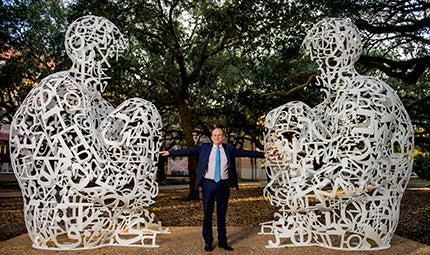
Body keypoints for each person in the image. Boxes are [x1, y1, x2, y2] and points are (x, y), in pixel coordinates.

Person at [159, 128, 273, 252]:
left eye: (219, 135)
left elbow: (245, 153)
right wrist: (170, 153)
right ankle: (208, 242)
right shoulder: (204, 147)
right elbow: (189, 150)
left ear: (223, 137)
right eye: (214, 135)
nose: (217, 137)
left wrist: (264, 155)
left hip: (223, 185)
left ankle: (223, 242)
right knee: (207, 214)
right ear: (211, 137)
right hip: (208, 184)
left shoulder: (229, 148)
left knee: (221, 215)